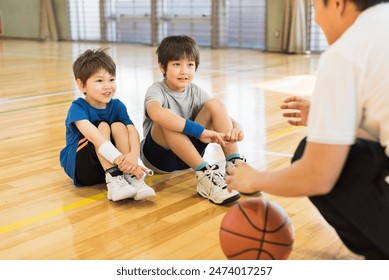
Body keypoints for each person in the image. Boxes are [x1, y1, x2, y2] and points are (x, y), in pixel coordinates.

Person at [227, 0, 389, 259]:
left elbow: (318, 175)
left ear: (337, 4)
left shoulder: (348, 50)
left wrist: (255, 179)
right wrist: (329, 117)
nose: (316, 20)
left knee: (308, 154)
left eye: (315, 8)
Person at [140, 35, 245, 205]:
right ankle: (204, 175)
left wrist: (237, 127)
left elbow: (222, 114)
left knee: (215, 104)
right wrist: (200, 132)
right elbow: (156, 114)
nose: (184, 71)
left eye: (190, 65)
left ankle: (234, 165)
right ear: (162, 67)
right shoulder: (156, 90)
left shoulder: (196, 91)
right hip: (159, 159)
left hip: (187, 156)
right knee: (166, 118)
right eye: (177, 64)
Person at [60, 48, 155, 201]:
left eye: (111, 79)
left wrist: (133, 158)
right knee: (102, 126)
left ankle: (130, 177)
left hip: (112, 163)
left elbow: (132, 131)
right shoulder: (77, 108)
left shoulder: (117, 105)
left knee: (119, 126)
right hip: (82, 168)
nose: (108, 86)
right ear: (81, 85)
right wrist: (119, 160)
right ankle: (113, 178)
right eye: (99, 81)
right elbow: (95, 137)